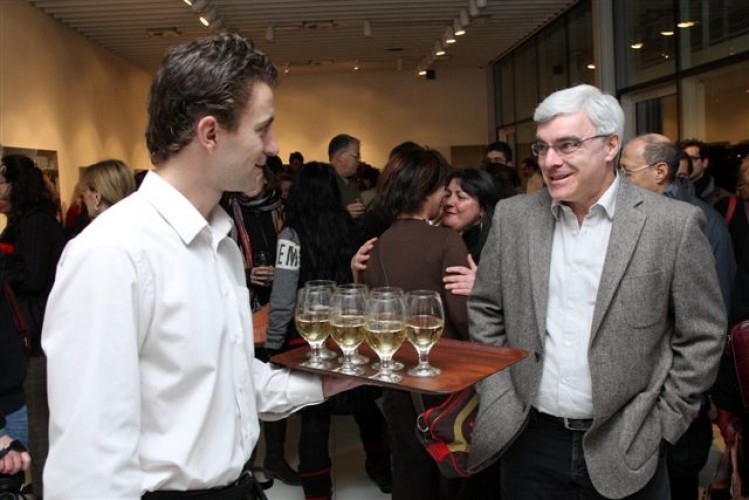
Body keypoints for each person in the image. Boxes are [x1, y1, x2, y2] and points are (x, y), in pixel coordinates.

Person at [42, 33, 358, 499]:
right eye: (262, 129)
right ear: (210, 133)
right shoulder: (112, 253)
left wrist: (329, 381)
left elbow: (234, 383)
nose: (273, 147)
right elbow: (88, 468)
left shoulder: (219, 243)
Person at [467, 84, 726, 499]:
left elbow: (703, 334)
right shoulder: (514, 217)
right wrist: (499, 392)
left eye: (568, 145)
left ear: (610, 145)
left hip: (629, 442)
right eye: (542, 147)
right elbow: (486, 308)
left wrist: (664, 421)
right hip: (529, 439)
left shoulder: (671, 225)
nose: (551, 161)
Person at [361, 147, 499, 500]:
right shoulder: (445, 241)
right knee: (454, 477)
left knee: (410, 472)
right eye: (442, 189)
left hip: (397, 380)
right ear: (426, 191)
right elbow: (464, 319)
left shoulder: (377, 244)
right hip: (445, 383)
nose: (446, 198)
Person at [265, 161, 391, 499]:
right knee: (365, 408)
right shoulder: (349, 227)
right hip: (348, 331)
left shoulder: (290, 237)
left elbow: (283, 297)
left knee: (314, 417)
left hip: (308, 335)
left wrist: (274, 344)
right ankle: (383, 471)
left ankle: (318, 492)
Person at [619, 134, 735, 500]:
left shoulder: (698, 221)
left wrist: (682, 401)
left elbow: (711, 317)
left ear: (660, 172)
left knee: (678, 475)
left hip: (674, 388)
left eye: (627, 172)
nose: (619, 181)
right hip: (634, 389)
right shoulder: (626, 217)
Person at [0, 154, 65, 498]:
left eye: (1, 181)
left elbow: (36, 277)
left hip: (35, 339)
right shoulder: (22, 221)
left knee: (38, 435)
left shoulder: (36, 222)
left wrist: (4, 268)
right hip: (27, 338)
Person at [680, 138, 732, 207]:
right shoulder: (675, 191)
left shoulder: (723, 199)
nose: (688, 164)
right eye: (685, 159)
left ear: (705, 162)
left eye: (692, 159)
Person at [328, 134, 365, 219]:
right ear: (342, 156)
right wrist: (343, 215)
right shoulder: (320, 181)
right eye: (356, 156)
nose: (359, 161)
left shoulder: (353, 182)